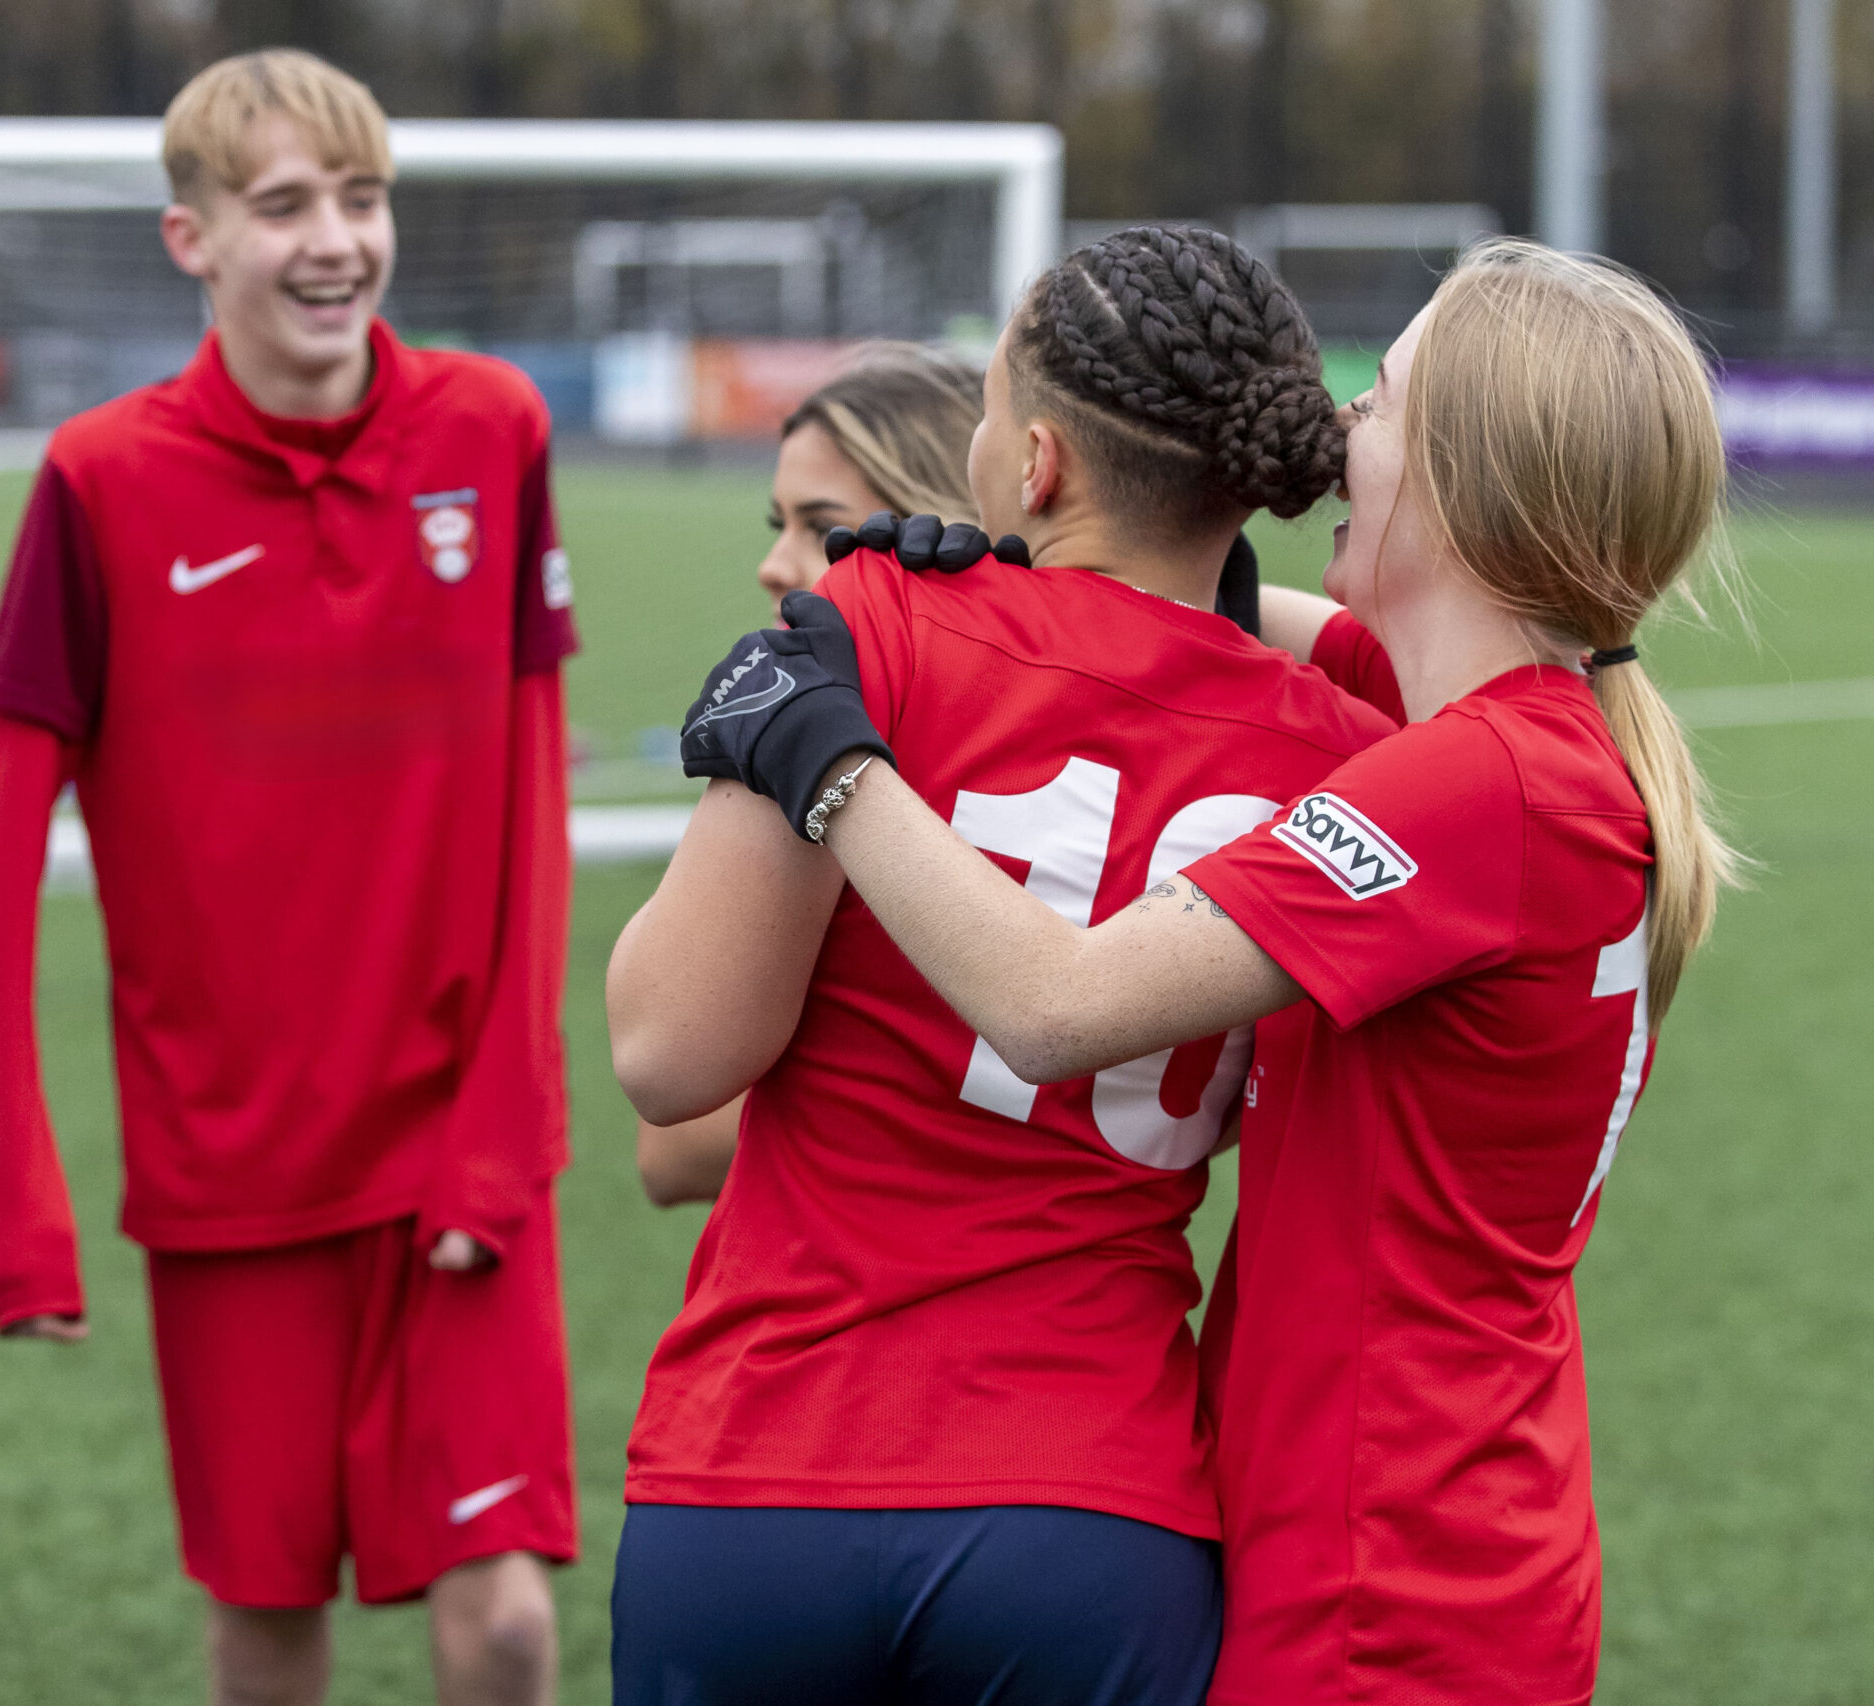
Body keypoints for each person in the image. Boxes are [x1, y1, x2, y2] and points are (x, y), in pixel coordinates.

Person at [692, 238, 1734, 1705]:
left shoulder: (1478, 788)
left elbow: (1053, 1006)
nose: (1337, 431)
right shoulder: (1515, 734)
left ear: (1461, 481)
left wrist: (828, 755)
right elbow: (1212, 619)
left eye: (1377, 403)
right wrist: (998, 565)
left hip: (1387, 1579)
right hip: (1440, 1532)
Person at [605, 225, 1394, 1706]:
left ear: (1033, 463)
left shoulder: (880, 626)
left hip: (772, 1464)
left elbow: (668, 1053)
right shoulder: (1352, 756)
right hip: (1097, 1505)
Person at [0, 50, 579, 1706]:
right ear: (191, 239)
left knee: (504, 1620)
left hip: (456, 1145)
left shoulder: (495, 429)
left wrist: (506, 1133)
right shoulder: (98, 479)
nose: (332, 244)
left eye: (359, 201)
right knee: (267, 1638)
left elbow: (534, 813)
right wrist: (23, 1218)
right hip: (230, 1174)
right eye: (283, 205)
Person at [636, 345, 985, 1209]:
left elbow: (674, 1134)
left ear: (941, 523)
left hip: (838, 1316)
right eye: (776, 523)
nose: (774, 562)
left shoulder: (827, 749)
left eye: (820, 525)